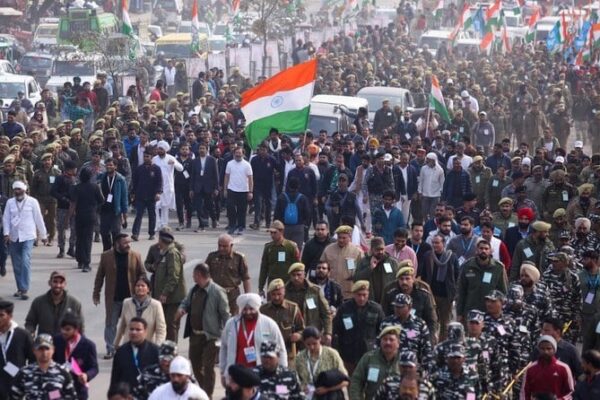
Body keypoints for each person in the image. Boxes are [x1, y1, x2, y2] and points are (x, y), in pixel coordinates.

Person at [177, 262, 230, 398]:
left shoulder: (217, 291)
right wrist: (182, 309)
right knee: (195, 364)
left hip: (211, 336)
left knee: (208, 366)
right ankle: (202, 391)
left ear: (199, 275)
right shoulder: (195, 290)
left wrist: (227, 334)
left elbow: (225, 314)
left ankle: (208, 395)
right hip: (195, 335)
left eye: (194, 275)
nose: (193, 277)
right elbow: (186, 302)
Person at [93, 233, 146, 359]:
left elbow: (142, 274)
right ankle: (110, 349)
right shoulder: (106, 256)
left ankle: (132, 349)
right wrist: (96, 293)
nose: (128, 245)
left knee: (132, 324)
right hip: (114, 297)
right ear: (117, 244)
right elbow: (100, 276)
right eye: (125, 243)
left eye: (129, 242)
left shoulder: (135, 256)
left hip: (131, 298)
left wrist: (142, 290)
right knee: (110, 325)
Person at [219, 293, 287, 380]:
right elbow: (224, 347)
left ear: (257, 308)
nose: (248, 312)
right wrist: (223, 371)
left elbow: (281, 349)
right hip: (236, 373)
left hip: (261, 374)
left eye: (251, 309)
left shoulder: (269, 324)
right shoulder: (231, 324)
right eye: (245, 309)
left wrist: (282, 372)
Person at [3, 180, 47, 300]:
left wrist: (43, 235)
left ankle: (25, 288)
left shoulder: (32, 202)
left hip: (28, 236)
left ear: (24, 190)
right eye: (15, 190)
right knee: (16, 264)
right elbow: (6, 219)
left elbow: (38, 218)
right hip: (14, 236)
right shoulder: (10, 202)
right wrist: (6, 233)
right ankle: (20, 288)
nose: (17, 192)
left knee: (25, 260)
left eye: (19, 189)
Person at [333, 280, 384, 374]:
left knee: (370, 379)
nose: (361, 298)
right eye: (359, 295)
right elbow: (337, 330)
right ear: (353, 294)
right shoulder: (344, 308)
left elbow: (382, 331)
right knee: (349, 378)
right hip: (349, 354)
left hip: (369, 353)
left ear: (368, 294)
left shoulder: (376, 309)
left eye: (364, 295)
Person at [10, 334, 77, 399]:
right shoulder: (25, 373)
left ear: (53, 350)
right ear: (34, 351)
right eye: (40, 349)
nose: (44, 352)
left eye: (47, 349)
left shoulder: (63, 373)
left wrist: (53, 395)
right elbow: (14, 396)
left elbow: (71, 396)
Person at [456, 239, 507, 320]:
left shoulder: (498, 268)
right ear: (476, 250)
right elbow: (461, 291)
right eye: (481, 248)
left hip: (490, 312)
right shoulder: (467, 266)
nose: (483, 251)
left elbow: (503, 291)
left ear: (490, 251)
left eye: (486, 249)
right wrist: (459, 313)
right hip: (470, 310)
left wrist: (502, 312)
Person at [52, 313, 98, 400]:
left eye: (67, 329)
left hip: (78, 390)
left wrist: (86, 375)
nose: (64, 332)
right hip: (57, 388)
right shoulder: (56, 340)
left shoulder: (89, 346)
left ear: (76, 329)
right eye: (62, 329)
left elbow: (94, 368)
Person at [151, 230, 186, 342]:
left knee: (171, 325)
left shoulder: (172, 254)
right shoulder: (165, 252)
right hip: (164, 296)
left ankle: (171, 349)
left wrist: (165, 292)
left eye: (159, 239)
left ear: (163, 240)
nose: (158, 242)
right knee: (163, 323)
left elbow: (174, 276)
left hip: (173, 297)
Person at [349, 325, 402, 400]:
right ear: (380, 342)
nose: (388, 342)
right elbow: (356, 381)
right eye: (385, 339)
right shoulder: (369, 358)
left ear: (398, 343)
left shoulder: (404, 360)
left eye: (391, 340)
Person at [285, 262, 332, 345]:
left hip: (312, 333)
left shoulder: (315, 290)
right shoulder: (284, 291)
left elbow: (326, 313)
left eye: (299, 275)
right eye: (293, 275)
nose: (296, 278)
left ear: (304, 274)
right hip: (292, 334)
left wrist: (328, 333)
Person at [25, 270, 83, 336]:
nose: (58, 285)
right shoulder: (38, 302)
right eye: (55, 282)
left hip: (66, 341)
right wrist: (30, 334)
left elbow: (80, 326)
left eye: (61, 282)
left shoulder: (74, 303)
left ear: (65, 284)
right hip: (44, 341)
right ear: (49, 283)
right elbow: (30, 322)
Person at [259, 278, 305, 362]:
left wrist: (298, 335)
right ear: (269, 294)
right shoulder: (262, 310)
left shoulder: (293, 308)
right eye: (273, 294)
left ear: (284, 292)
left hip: (289, 352)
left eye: (279, 294)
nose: (276, 297)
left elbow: (302, 329)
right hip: (268, 353)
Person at [204, 233, 251, 315]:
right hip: (215, 294)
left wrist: (248, 297)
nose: (221, 248)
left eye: (225, 246)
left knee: (232, 319)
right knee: (214, 318)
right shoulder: (212, 257)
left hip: (232, 296)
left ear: (231, 245)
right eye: (219, 245)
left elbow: (246, 278)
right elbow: (204, 275)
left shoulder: (239, 258)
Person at [114, 276, 166, 347]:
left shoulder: (156, 305)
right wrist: (116, 344)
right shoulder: (127, 303)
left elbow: (161, 329)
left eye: (143, 286)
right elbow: (122, 326)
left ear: (148, 289)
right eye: (138, 286)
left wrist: (158, 347)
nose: (140, 288)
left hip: (148, 347)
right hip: (129, 345)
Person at [294, 326, 348, 395]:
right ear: (304, 342)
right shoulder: (299, 358)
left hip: (329, 395)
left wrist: (327, 389)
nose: (312, 347)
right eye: (308, 344)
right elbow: (295, 381)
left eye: (314, 343)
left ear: (320, 339)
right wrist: (302, 388)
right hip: (308, 395)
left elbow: (346, 381)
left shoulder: (331, 354)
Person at [110, 317, 160, 390]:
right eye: (131, 329)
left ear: (145, 331)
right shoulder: (121, 352)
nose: (134, 332)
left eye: (138, 330)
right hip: (126, 393)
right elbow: (115, 378)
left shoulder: (155, 351)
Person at [70, 167, 104, 271]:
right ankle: (86, 263)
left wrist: (70, 216)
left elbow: (73, 203)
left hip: (79, 215)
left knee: (79, 238)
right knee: (88, 239)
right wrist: (95, 208)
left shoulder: (77, 187)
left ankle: (80, 260)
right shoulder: (95, 187)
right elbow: (102, 200)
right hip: (91, 215)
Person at [521, 335, 574, 400]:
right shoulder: (530, 369)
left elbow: (570, 392)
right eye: (542, 349)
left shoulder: (564, 368)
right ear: (538, 349)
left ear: (554, 349)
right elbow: (524, 392)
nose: (545, 351)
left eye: (549, 348)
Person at [0, 300, 34, 400]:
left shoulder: (23, 335)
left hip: (15, 387)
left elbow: (33, 360)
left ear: (10, 316)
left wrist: (26, 378)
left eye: (1, 315)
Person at [320, 225, 364, 298]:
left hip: (349, 290)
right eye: (339, 237)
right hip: (331, 289)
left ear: (350, 237)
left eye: (344, 238)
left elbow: (362, 270)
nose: (341, 240)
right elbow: (321, 265)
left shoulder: (357, 251)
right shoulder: (328, 249)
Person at [258, 220, 300, 295]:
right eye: (271, 233)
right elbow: (264, 268)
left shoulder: (291, 246)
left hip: (287, 283)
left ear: (281, 232)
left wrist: (297, 283)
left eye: (275, 233)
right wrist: (261, 287)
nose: (272, 235)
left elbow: (297, 267)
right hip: (272, 283)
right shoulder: (268, 247)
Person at [354, 236, 399, 302]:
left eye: (382, 249)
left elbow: (397, 279)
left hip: (387, 299)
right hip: (369, 300)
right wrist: (370, 268)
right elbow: (356, 278)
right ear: (372, 249)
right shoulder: (363, 262)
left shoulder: (392, 262)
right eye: (377, 250)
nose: (380, 252)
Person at [97, 158, 128, 251]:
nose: (108, 167)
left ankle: (116, 251)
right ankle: (107, 252)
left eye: (111, 165)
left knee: (116, 233)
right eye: (107, 165)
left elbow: (124, 197)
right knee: (104, 232)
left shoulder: (120, 179)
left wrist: (124, 214)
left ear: (115, 166)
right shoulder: (101, 177)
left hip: (115, 210)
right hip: (103, 210)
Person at [131, 149, 162, 241]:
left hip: (152, 196)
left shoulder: (156, 169)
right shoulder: (139, 169)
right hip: (140, 195)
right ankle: (135, 234)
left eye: (147, 156)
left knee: (152, 215)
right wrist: (133, 193)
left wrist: (158, 193)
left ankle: (152, 233)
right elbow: (135, 182)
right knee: (138, 215)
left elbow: (159, 182)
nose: (145, 158)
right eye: (144, 156)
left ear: (151, 157)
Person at [30, 153, 60, 247]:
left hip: (52, 199)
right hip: (40, 199)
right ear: (42, 162)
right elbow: (33, 187)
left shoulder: (56, 172)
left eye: (49, 160)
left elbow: (60, 186)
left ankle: (51, 238)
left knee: (52, 220)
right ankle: (36, 238)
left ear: (52, 161)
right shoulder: (38, 173)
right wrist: (33, 199)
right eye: (45, 160)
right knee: (38, 218)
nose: (47, 162)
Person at [152, 141, 183, 230]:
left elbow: (181, 168)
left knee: (165, 207)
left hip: (167, 186)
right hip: (157, 186)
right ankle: (156, 224)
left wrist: (174, 163)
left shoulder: (171, 158)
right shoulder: (154, 159)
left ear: (165, 150)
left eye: (161, 149)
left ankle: (164, 224)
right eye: (158, 149)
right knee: (156, 206)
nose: (159, 150)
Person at [189, 143, 219, 231]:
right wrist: (191, 189)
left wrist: (216, 188)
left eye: (203, 148)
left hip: (209, 186)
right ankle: (201, 224)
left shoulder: (212, 160)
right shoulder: (195, 161)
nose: (202, 150)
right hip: (197, 187)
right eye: (200, 148)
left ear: (207, 150)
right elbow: (192, 176)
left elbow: (216, 175)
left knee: (210, 205)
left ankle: (214, 219)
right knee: (198, 206)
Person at [224, 147, 253, 235]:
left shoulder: (247, 165)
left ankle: (241, 227)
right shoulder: (229, 164)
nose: (238, 155)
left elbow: (250, 178)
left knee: (242, 210)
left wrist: (250, 191)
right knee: (230, 209)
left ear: (243, 154)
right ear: (234, 154)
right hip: (231, 189)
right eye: (236, 153)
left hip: (243, 190)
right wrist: (225, 189)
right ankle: (232, 226)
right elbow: (226, 176)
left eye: (239, 153)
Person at [51, 159, 77, 258]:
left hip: (74, 208)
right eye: (74, 169)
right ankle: (61, 249)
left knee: (74, 229)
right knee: (61, 229)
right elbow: (53, 191)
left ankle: (72, 248)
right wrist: (63, 198)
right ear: (70, 169)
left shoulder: (75, 179)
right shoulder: (60, 178)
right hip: (62, 207)